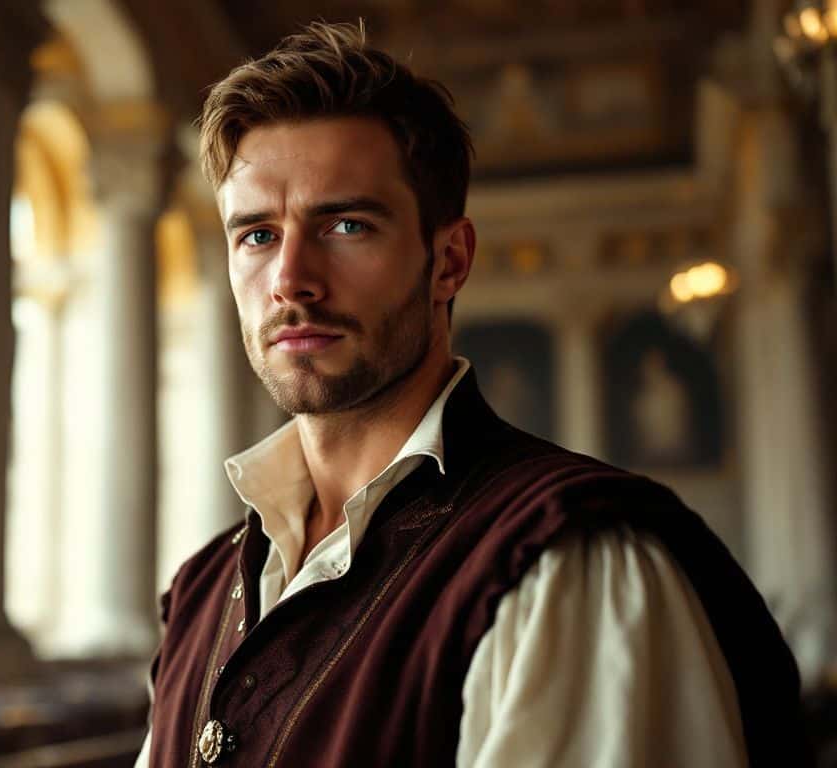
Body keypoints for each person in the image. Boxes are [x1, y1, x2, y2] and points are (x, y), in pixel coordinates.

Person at [135, 20, 809, 768]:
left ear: (449, 260)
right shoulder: (201, 592)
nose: (290, 279)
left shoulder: (566, 564)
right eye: (256, 235)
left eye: (347, 224)